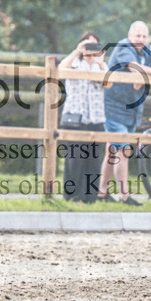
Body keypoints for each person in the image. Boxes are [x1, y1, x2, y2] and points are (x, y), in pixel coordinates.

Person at [97, 21, 151, 206]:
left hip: (132, 109)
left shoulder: (145, 48)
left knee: (113, 150)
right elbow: (135, 67)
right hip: (115, 106)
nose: (141, 40)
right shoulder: (124, 47)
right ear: (130, 35)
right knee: (124, 149)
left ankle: (101, 193)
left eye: (144, 36)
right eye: (138, 36)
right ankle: (125, 196)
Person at [59, 32, 107, 203]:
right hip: (75, 117)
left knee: (93, 159)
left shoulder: (100, 65)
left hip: (95, 118)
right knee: (74, 159)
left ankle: (89, 197)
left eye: (93, 45)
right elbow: (60, 70)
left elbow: (109, 83)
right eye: (86, 44)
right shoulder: (74, 63)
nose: (89, 48)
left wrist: (101, 64)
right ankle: (72, 196)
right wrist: (76, 52)